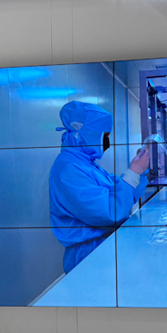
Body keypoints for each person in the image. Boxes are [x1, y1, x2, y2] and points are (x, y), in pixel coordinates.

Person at [49, 101, 150, 273]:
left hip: (103, 248)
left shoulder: (86, 164)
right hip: (88, 257)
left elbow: (119, 191)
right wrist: (134, 172)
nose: (107, 143)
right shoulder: (68, 169)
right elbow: (110, 212)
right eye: (104, 136)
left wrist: (139, 172)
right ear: (82, 131)